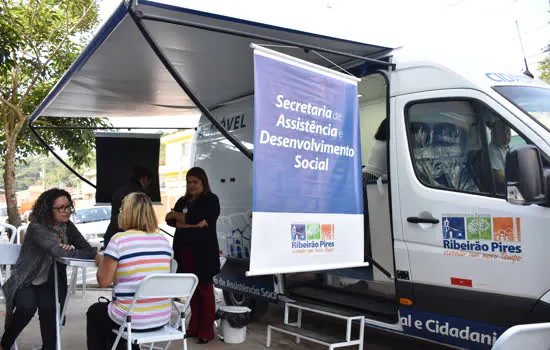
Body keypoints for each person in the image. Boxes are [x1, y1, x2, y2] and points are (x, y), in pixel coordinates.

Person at [0, 188, 97, 350]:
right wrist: (67, 250)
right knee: (27, 306)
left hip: (49, 280)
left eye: (68, 207)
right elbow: (57, 251)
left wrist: (71, 249)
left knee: (50, 308)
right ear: (47, 209)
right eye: (61, 208)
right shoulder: (37, 227)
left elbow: (87, 250)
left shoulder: (67, 226)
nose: (66, 212)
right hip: (25, 280)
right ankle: (5, 344)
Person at [86, 192, 173, 350]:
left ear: (126, 214)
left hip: (131, 319)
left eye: (121, 210)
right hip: (161, 317)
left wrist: (101, 261)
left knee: (95, 312)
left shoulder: (119, 240)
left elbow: (104, 282)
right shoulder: (163, 241)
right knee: (113, 314)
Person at [166, 167, 220, 344]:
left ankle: (206, 330)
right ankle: (193, 327)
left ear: (203, 182)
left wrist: (184, 219)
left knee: (205, 291)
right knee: (192, 292)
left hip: (204, 254)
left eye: (195, 182)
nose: (191, 185)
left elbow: (200, 220)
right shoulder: (183, 200)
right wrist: (193, 223)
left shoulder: (211, 200)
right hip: (184, 252)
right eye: (189, 182)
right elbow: (170, 219)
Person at [103, 165, 153, 248]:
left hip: (111, 236)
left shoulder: (122, 190)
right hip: (126, 240)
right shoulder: (138, 195)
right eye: (149, 183)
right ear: (145, 179)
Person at [489, 120, 511, 194]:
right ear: (494, 134)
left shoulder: (507, 148)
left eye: (508, 131)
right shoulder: (493, 150)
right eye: (503, 132)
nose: (506, 135)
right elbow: (500, 177)